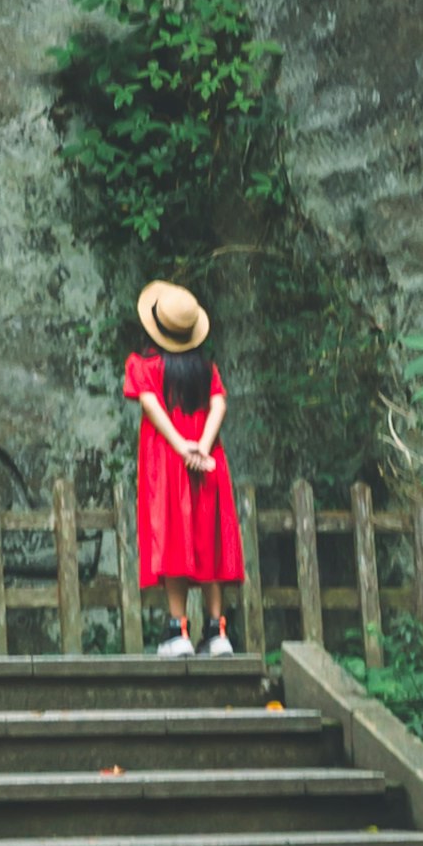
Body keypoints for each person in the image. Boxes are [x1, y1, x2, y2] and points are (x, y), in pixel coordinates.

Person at [125, 274, 240, 655]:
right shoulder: (206, 369)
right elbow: (219, 403)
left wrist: (182, 448)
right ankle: (217, 630)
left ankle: (178, 632)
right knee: (210, 538)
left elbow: (150, 404)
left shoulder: (144, 365)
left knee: (174, 538)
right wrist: (203, 447)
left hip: (169, 461)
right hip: (208, 462)